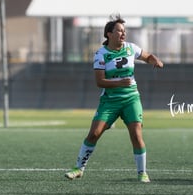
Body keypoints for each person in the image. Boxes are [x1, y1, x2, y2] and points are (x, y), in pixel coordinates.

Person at [64, 14, 163, 182]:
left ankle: (142, 173)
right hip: (109, 100)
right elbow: (99, 82)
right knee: (94, 134)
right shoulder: (101, 54)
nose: (123, 34)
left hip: (131, 99)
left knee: (136, 134)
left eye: (124, 31)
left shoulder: (131, 48)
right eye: (119, 31)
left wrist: (155, 60)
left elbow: (147, 56)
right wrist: (119, 83)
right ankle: (79, 168)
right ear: (109, 34)